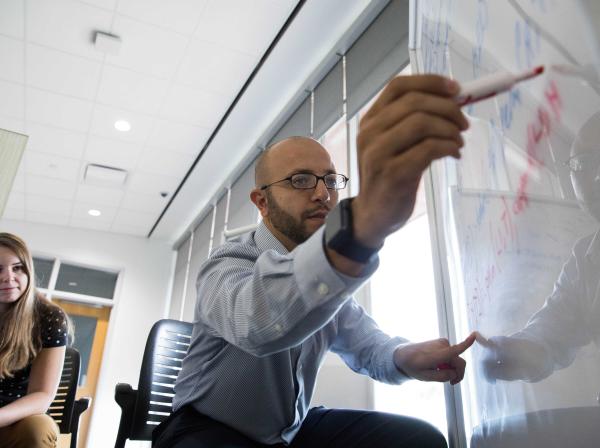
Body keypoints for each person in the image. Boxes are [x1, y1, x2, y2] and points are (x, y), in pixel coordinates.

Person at [153, 74, 475, 448]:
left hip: (291, 430)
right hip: (207, 428)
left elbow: (368, 346)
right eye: (302, 180)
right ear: (261, 202)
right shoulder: (225, 265)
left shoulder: (329, 281)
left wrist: (406, 357)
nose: (323, 194)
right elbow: (258, 323)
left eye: (329, 180)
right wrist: (360, 228)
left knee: (421, 440)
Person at [472, 112, 600, 447]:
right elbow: (555, 327)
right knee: (490, 441)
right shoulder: (586, 257)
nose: (596, 176)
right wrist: (515, 349)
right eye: (583, 164)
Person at [0, 233, 70, 448]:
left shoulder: (49, 318)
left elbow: (43, 394)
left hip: (15, 419)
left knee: (38, 429)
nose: (8, 277)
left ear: (28, 270)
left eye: (17, 268)